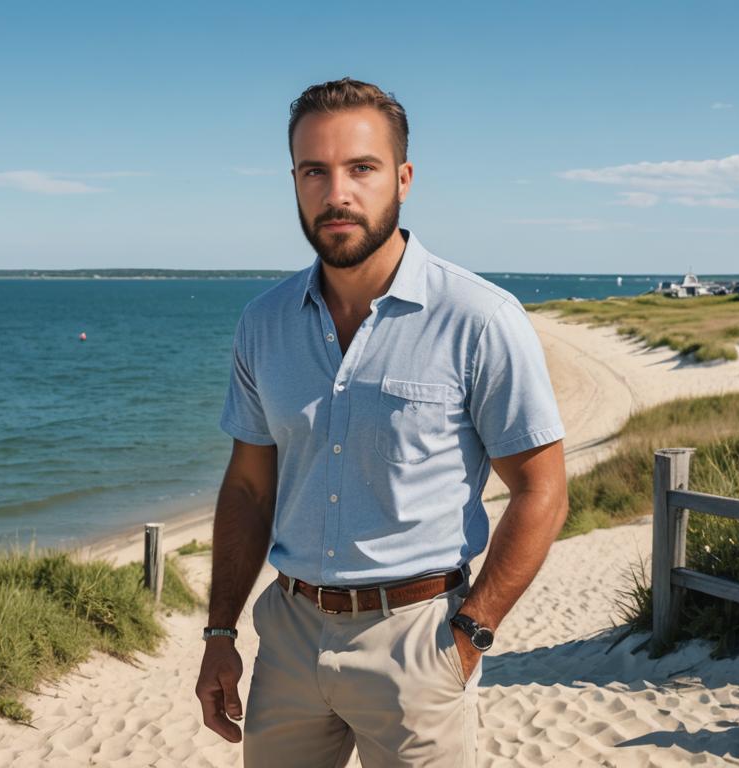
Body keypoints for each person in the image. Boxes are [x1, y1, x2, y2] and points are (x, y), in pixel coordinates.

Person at [195, 77, 568, 767]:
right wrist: (220, 632)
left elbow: (542, 489)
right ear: (295, 181)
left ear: (402, 178)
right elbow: (249, 487)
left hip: (419, 643)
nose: (337, 192)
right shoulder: (264, 323)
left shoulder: (480, 319)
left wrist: (470, 635)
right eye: (315, 171)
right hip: (289, 637)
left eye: (361, 168)